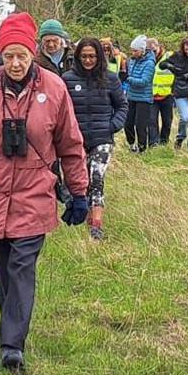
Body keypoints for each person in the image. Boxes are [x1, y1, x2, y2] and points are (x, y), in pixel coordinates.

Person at [0, 13, 87, 372]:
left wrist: (79, 190)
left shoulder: (54, 89)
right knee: (2, 269)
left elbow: (71, 144)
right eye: (9, 55)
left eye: (22, 56)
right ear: (0, 53)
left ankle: (12, 345)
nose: (15, 63)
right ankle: (12, 326)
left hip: (34, 192)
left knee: (22, 266)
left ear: (32, 54)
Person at [63, 38, 127, 240]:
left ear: (99, 57)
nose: (88, 60)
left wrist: (112, 126)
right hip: (76, 140)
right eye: (84, 56)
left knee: (97, 178)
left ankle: (96, 226)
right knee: (81, 182)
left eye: (92, 56)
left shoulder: (110, 78)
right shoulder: (67, 79)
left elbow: (122, 106)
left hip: (102, 139)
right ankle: (82, 215)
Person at [124, 36, 156, 153]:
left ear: (142, 51)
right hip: (131, 96)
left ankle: (142, 147)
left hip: (144, 98)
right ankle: (131, 144)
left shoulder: (149, 63)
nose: (132, 53)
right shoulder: (132, 61)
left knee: (140, 125)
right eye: (132, 50)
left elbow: (144, 81)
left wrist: (129, 79)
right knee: (128, 123)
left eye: (135, 50)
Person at [150, 40, 175, 146]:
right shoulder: (146, 59)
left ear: (159, 46)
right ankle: (153, 142)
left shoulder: (170, 56)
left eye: (154, 50)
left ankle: (164, 141)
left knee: (167, 121)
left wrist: (175, 89)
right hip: (152, 95)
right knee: (151, 121)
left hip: (167, 94)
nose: (152, 53)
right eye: (149, 51)